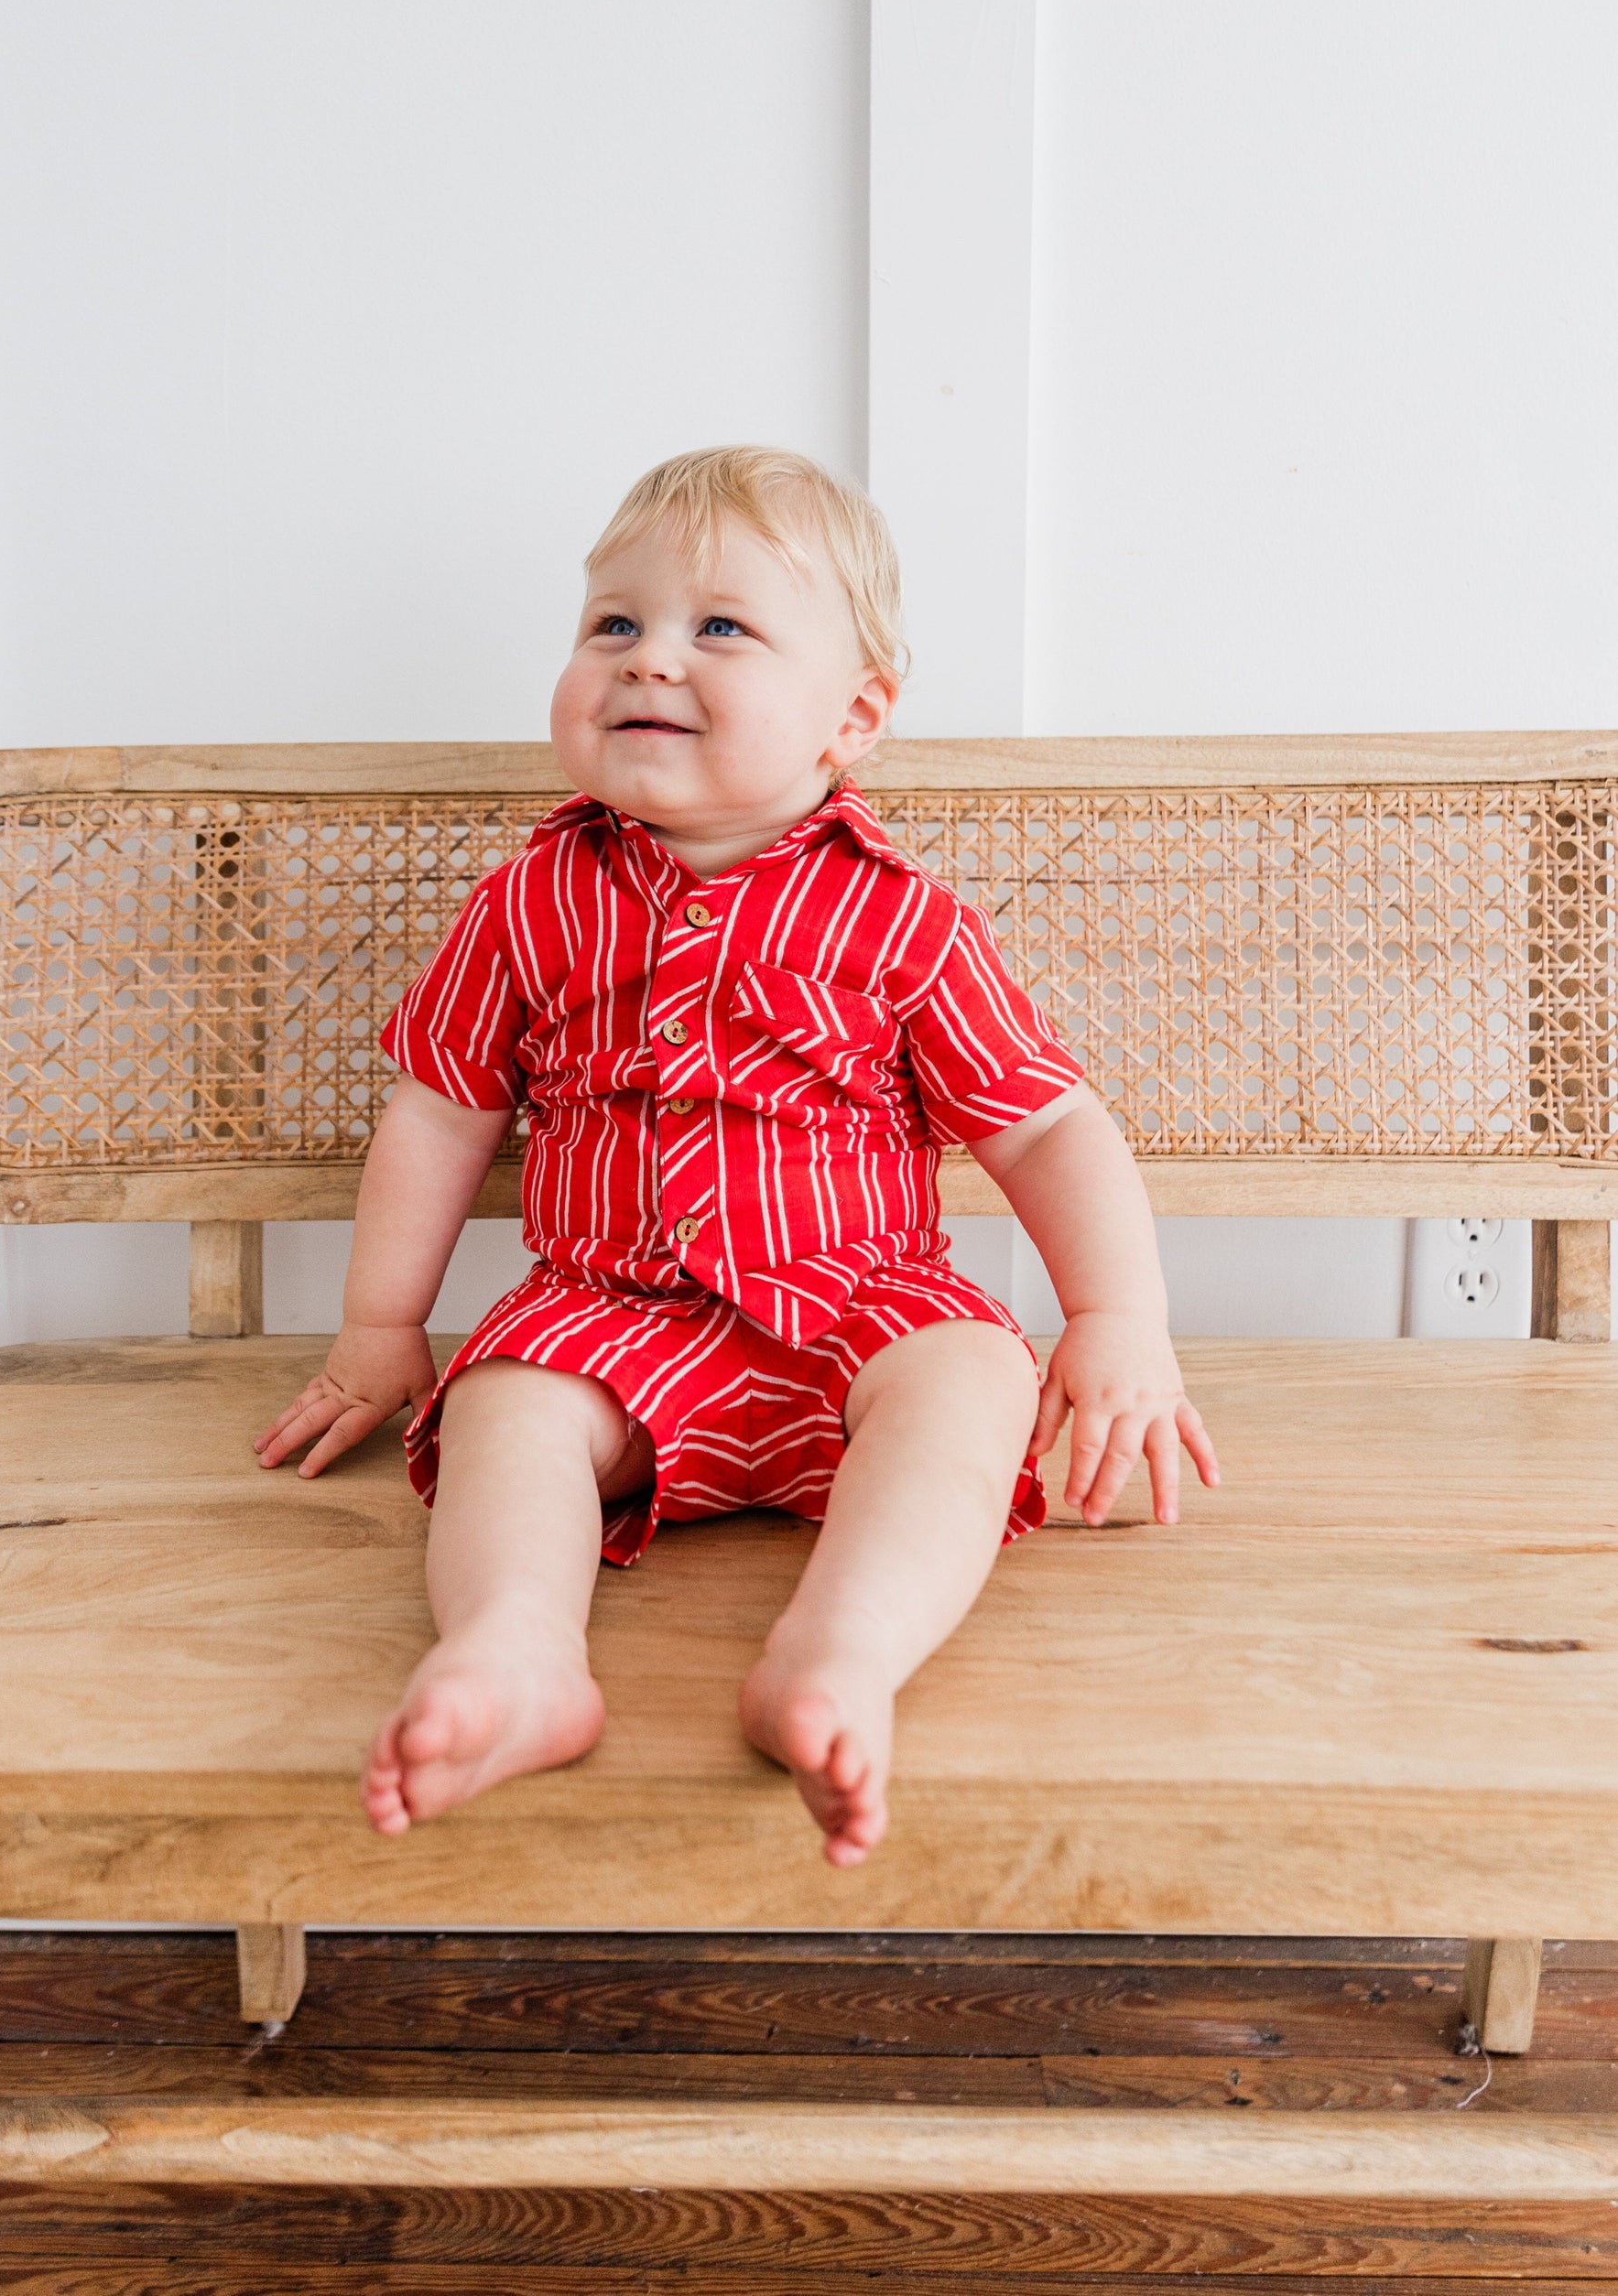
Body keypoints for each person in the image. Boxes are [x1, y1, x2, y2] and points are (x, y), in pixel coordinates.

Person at [255, 447, 1218, 1866]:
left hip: (861, 1306)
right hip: (607, 1316)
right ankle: (518, 1653)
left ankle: (838, 1658)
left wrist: (1117, 1318)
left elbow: (1047, 1123)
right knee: (506, 1409)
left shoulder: (903, 923)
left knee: (973, 1378)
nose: (651, 659)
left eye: (719, 627)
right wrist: (382, 1326)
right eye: (613, 625)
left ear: (854, 717)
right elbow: (441, 1109)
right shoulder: (531, 900)